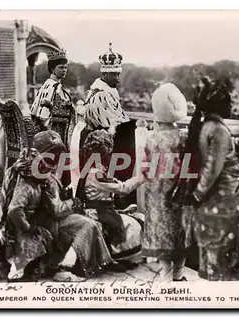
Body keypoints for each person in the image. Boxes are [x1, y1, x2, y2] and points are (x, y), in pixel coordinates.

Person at [171, 76, 239, 281]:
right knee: (227, 248)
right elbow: (213, 167)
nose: (231, 105)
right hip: (225, 193)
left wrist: (198, 194)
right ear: (219, 106)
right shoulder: (219, 130)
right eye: (228, 102)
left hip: (211, 196)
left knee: (212, 246)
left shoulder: (203, 126)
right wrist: (198, 194)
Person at [31, 130, 128, 282]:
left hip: (49, 215)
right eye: (54, 154)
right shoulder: (45, 177)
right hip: (46, 220)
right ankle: (64, 267)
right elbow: (56, 209)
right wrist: (72, 203)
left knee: (90, 223)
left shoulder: (42, 171)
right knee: (88, 225)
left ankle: (105, 261)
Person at [0, 148, 56, 282]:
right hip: (16, 223)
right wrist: (28, 228)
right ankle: (18, 266)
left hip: (12, 218)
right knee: (43, 236)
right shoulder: (26, 186)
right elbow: (14, 211)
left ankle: (16, 261)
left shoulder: (18, 175)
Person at [76, 129, 148, 266]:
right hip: (98, 212)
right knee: (133, 224)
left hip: (100, 209)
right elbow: (122, 189)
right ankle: (119, 257)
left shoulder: (91, 170)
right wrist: (142, 177)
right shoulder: (97, 174)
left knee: (133, 218)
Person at [141, 83, 190, 282]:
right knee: (180, 233)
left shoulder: (151, 140)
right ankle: (179, 275)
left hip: (158, 194)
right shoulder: (184, 138)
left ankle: (166, 275)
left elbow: (145, 169)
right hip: (180, 192)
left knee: (162, 234)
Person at [70, 43, 130, 195]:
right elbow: (115, 123)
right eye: (115, 75)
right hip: (97, 144)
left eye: (118, 74)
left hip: (98, 137)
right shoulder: (102, 95)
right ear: (105, 75)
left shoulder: (106, 90)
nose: (118, 78)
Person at [29, 48, 76, 147]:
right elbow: (46, 115)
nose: (64, 70)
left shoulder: (47, 83)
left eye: (65, 67)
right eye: (61, 67)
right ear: (53, 69)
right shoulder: (54, 86)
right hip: (51, 132)